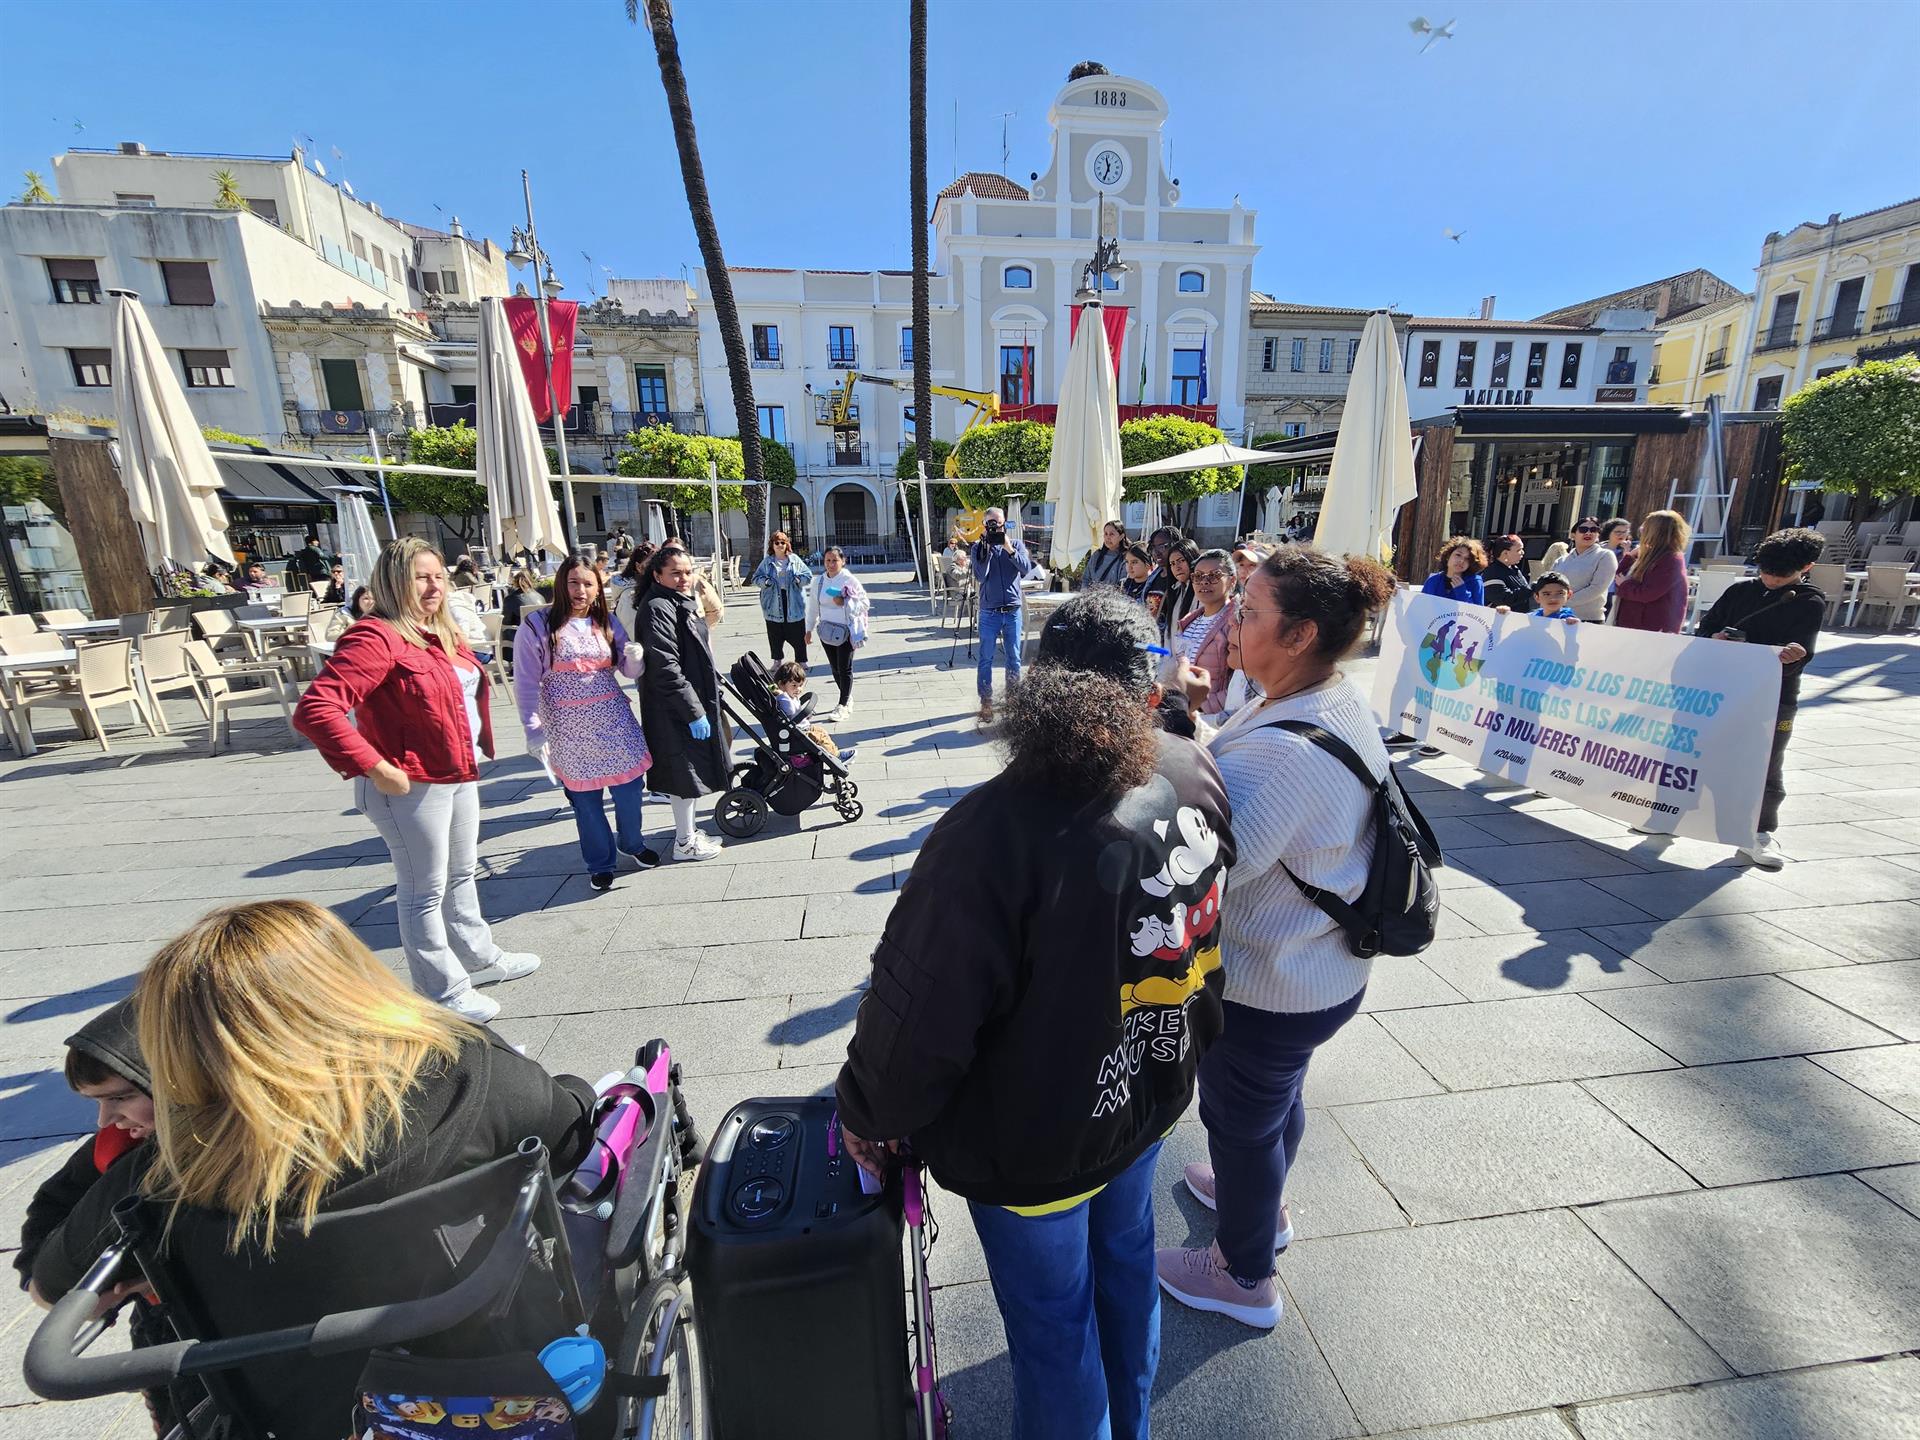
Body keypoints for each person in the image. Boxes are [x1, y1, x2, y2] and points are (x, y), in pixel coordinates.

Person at [836, 588, 1235, 1440]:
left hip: (1041, 1140)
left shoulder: (991, 835)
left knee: (1056, 1327)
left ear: (1038, 686)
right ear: (1143, 685)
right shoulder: (1191, 768)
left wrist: (869, 1113)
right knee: (1125, 1268)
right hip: (1148, 1093)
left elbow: (919, 1013)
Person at [26, 901, 597, 1435]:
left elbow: (51, 1289)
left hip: (288, 1414)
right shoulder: (473, 1074)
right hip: (481, 1380)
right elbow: (571, 1136)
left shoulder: (167, 1171)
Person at [1157, 547, 1395, 1330]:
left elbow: (1208, 861)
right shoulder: (1317, 696)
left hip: (1272, 985)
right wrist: (1198, 718)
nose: (1230, 622)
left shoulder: (1285, 751)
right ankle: (1260, 1202)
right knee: (1274, 1103)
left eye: (1249, 613)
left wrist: (1171, 727)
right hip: (1315, 971)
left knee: (1243, 1119)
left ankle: (1242, 1273)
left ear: (1300, 635)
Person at [293, 537, 540, 1024]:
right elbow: (316, 709)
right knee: (423, 889)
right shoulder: (376, 637)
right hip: (409, 782)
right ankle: (440, 989)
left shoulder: (437, 632)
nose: (434, 586)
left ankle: (478, 955)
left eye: (439, 576)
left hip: (456, 769)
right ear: (393, 582)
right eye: (420, 577)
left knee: (462, 872)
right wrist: (374, 764)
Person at [16, 999, 191, 1433]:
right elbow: (51, 1203)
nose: (105, 1119)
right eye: (97, 1102)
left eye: (121, 1096)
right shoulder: (118, 1142)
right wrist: (33, 1272)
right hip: (159, 1336)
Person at [513, 555, 658, 893]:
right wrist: (533, 729)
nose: (580, 590)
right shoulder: (537, 625)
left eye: (588, 583)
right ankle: (600, 862)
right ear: (561, 584)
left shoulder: (606, 621)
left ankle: (632, 842)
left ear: (598, 587)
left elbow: (627, 670)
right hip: (568, 729)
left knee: (630, 790)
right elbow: (525, 683)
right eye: (573, 582)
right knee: (587, 802)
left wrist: (635, 658)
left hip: (613, 721)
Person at [1697, 527, 1826, 871]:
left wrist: (1792, 655)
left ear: (1806, 567)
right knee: (1697, 751)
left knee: (1768, 763)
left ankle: (1760, 832)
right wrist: (1716, 637)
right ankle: (1672, 813)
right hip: (1723, 688)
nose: (1770, 578)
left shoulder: (1808, 601)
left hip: (1774, 696)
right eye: (1765, 570)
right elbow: (1702, 630)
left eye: (1780, 574)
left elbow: (1803, 651)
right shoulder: (1740, 591)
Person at [637, 544, 728, 862]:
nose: (683, 578)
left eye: (687, 572)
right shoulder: (657, 607)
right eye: (675, 573)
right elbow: (665, 666)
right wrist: (693, 711)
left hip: (686, 701)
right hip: (672, 708)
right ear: (658, 574)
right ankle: (684, 842)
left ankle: (688, 833)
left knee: (689, 774)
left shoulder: (676, 602)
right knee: (683, 776)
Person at [970, 506, 1036, 724]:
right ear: (984, 525)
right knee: (986, 658)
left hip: (1012, 611)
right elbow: (981, 576)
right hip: (989, 612)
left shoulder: (1015, 544)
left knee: (1014, 658)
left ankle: (1013, 700)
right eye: (990, 523)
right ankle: (986, 701)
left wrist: (1008, 548)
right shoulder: (979, 548)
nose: (994, 527)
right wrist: (988, 550)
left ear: (1004, 523)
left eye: (998, 523)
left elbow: (1026, 569)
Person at [805, 545, 871, 721]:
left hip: (846, 630)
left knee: (844, 667)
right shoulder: (818, 581)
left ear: (843, 561)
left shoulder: (849, 580)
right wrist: (808, 629)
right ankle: (847, 697)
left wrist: (845, 602)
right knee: (834, 668)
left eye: (835, 560)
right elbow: (812, 607)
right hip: (826, 631)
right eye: (828, 560)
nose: (831, 564)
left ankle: (842, 705)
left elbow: (864, 603)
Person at [1612, 509, 1691, 634]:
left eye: (1646, 526)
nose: (1642, 529)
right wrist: (1629, 557)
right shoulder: (1647, 553)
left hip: (1652, 628)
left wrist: (1625, 585)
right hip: (1632, 624)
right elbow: (1618, 577)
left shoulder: (1671, 559)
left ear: (1656, 531)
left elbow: (1648, 593)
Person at [1177, 549, 1234, 715]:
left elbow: (1243, 684)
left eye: (1214, 575)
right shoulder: (1189, 621)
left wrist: (1204, 706)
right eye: (1198, 576)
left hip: (1213, 718)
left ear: (1232, 581)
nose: (1204, 582)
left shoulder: (1236, 623)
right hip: (1187, 710)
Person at [772, 659, 856, 765]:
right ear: (782, 685)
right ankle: (837, 758)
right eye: (794, 685)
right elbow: (790, 710)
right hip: (798, 732)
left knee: (822, 732)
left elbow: (794, 712)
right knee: (820, 738)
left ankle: (835, 753)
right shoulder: (784, 699)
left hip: (803, 728)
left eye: (801, 685)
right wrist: (783, 695)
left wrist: (805, 715)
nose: (798, 689)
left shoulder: (790, 696)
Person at [751, 530, 811, 663]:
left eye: (782, 542)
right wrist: (766, 582)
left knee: (797, 631)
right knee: (775, 633)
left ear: (787, 544)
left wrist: (798, 580)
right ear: (772, 545)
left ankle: (802, 661)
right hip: (773, 602)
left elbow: (808, 576)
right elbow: (756, 578)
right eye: (776, 542)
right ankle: (777, 661)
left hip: (793, 601)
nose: (779, 545)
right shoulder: (767, 562)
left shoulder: (794, 560)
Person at [1554, 516, 1617, 623]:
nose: (1588, 533)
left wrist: (1562, 601)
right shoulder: (1561, 560)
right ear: (1573, 535)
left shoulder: (1605, 556)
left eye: (1593, 530)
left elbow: (1597, 588)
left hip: (1588, 619)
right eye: (1583, 529)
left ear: (1598, 535)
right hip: (1558, 615)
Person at [1421, 536, 1487, 604]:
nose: (1461, 561)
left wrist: (1462, 592)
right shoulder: (1433, 580)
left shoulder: (1475, 582)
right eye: (1458, 555)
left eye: (1467, 559)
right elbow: (1422, 607)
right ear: (1448, 556)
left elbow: (1478, 612)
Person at [1480, 535, 1532, 611]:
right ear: (1505, 553)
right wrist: (1531, 589)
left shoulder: (1514, 568)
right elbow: (1504, 600)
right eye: (1518, 550)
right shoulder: (1493, 572)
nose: (1522, 553)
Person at [1161, 540, 1199, 641]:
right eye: (1172, 563)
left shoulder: (1201, 593)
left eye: (1181, 561)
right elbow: (1169, 632)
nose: (1176, 567)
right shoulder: (1175, 591)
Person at [1083, 521, 1130, 587]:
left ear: (1121, 536)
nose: (1108, 537)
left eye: (1111, 534)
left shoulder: (1127, 557)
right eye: (1106, 534)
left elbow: (1124, 582)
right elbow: (1086, 578)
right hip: (1093, 596)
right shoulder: (1097, 555)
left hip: (1114, 596)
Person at [1120, 543, 1165, 607]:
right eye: (1127, 562)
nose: (1129, 567)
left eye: (1134, 562)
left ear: (1148, 565)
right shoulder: (1123, 585)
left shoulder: (1154, 589)